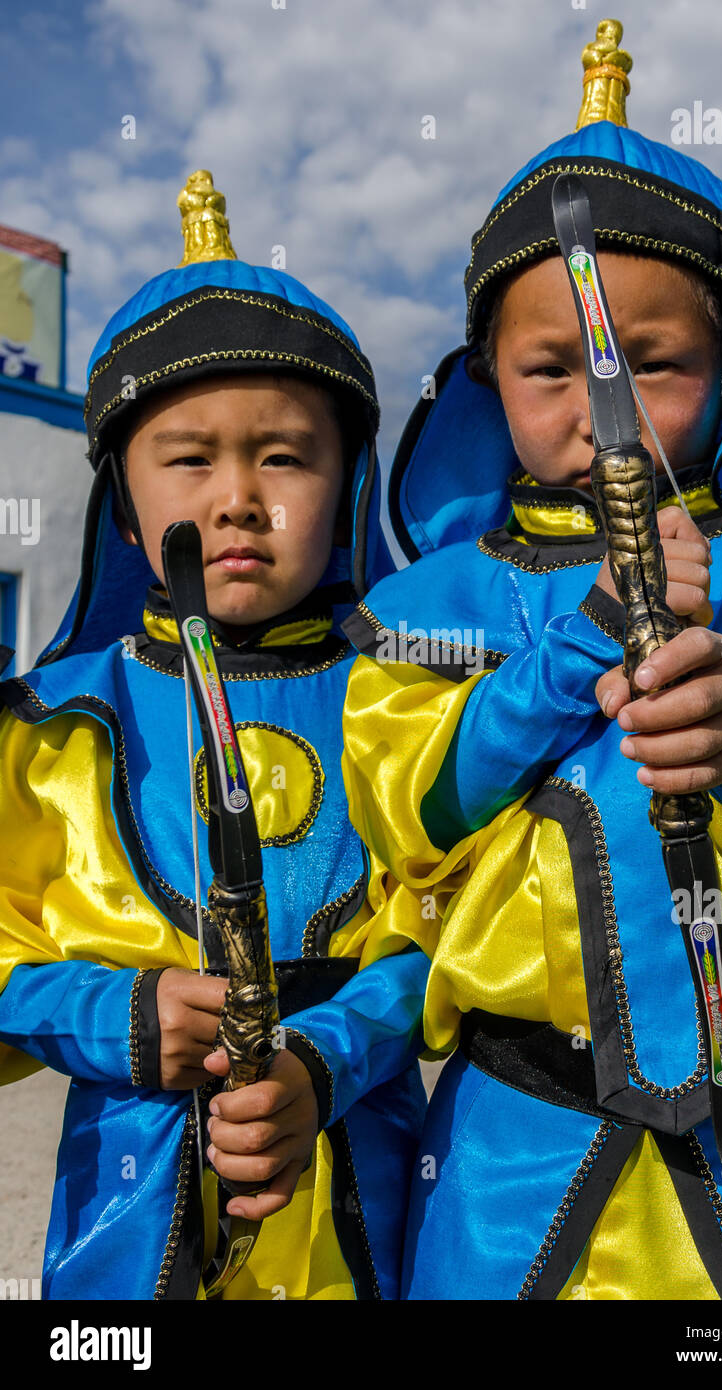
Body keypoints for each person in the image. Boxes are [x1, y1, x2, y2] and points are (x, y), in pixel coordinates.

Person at [341, 21, 722, 1299]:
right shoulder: (431, 602)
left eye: (657, 364)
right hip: (511, 1143)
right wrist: (576, 646)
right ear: (485, 380)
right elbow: (416, 804)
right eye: (550, 368)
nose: (599, 405)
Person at [0, 170, 428, 1300]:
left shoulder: (406, 704)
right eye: (188, 457)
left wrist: (328, 1057)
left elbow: (449, 934)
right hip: (124, 1230)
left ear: (348, 485)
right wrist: (116, 1015)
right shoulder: (52, 730)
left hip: (366, 1215)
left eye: (286, 455)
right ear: (125, 504)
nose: (239, 495)